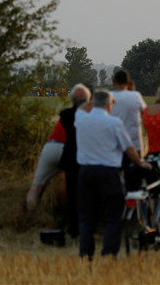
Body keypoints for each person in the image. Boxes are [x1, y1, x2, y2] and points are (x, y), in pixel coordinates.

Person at [75, 89, 151, 259]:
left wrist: (93, 99)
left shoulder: (81, 119)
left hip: (85, 172)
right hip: (108, 173)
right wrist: (140, 162)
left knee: (86, 217)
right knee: (113, 216)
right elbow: (129, 148)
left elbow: (80, 109)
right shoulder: (114, 123)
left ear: (93, 103)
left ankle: (86, 254)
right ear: (110, 105)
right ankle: (109, 254)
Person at [58, 83, 91, 237]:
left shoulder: (65, 115)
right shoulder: (89, 116)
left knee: (72, 195)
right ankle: (88, 226)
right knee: (88, 195)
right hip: (87, 158)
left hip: (70, 158)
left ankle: (73, 228)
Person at [109, 70, 147, 191]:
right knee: (134, 184)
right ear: (129, 82)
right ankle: (134, 209)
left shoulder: (108, 97)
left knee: (113, 183)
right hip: (134, 145)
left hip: (113, 145)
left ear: (113, 82)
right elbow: (145, 113)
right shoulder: (136, 96)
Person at [27, 118, 67, 210]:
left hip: (51, 146)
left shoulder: (66, 115)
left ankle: (30, 215)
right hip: (70, 149)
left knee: (36, 187)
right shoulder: (90, 114)